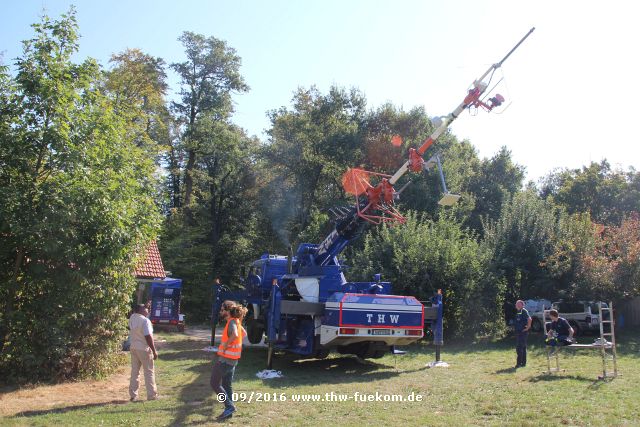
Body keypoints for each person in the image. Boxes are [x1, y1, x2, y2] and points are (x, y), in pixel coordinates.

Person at [211, 301, 247, 421]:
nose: (220, 312)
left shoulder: (232, 321)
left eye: (222, 310)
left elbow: (236, 335)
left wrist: (226, 345)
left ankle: (229, 406)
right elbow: (244, 333)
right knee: (227, 385)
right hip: (233, 359)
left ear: (227, 311)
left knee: (214, 383)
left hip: (225, 360)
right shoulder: (236, 321)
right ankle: (229, 410)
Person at [128, 304, 159, 401]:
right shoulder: (145, 320)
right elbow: (148, 336)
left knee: (135, 372)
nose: (148, 310)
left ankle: (133, 395)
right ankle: (151, 395)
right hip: (143, 348)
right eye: (146, 308)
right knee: (149, 371)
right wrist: (154, 351)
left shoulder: (132, 318)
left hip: (133, 347)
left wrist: (146, 303)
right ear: (141, 310)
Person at [514, 300, 532, 368]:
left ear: (522, 305)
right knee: (523, 348)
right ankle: (523, 363)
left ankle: (518, 364)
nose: (516, 305)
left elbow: (529, 319)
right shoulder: (519, 311)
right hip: (519, 332)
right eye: (516, 304)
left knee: (519, 348)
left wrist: (527, 328)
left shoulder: (523, 311)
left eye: (518, 304)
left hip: (523, 332)